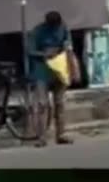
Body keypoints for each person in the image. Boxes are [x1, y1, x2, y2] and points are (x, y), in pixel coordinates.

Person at [26, 10, 74, 146]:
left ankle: (61, 134)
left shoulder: (63, 28)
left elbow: (68, 45)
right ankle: (42, 137)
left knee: (60, 103)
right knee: (43, 105)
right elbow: (29, 50)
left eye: (57, 25)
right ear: (47, 23)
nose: (55, 28)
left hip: (59, 70)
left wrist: (70, 65)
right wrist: (44, 54)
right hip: (42, 71)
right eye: (52, 25)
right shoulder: (37, 31)